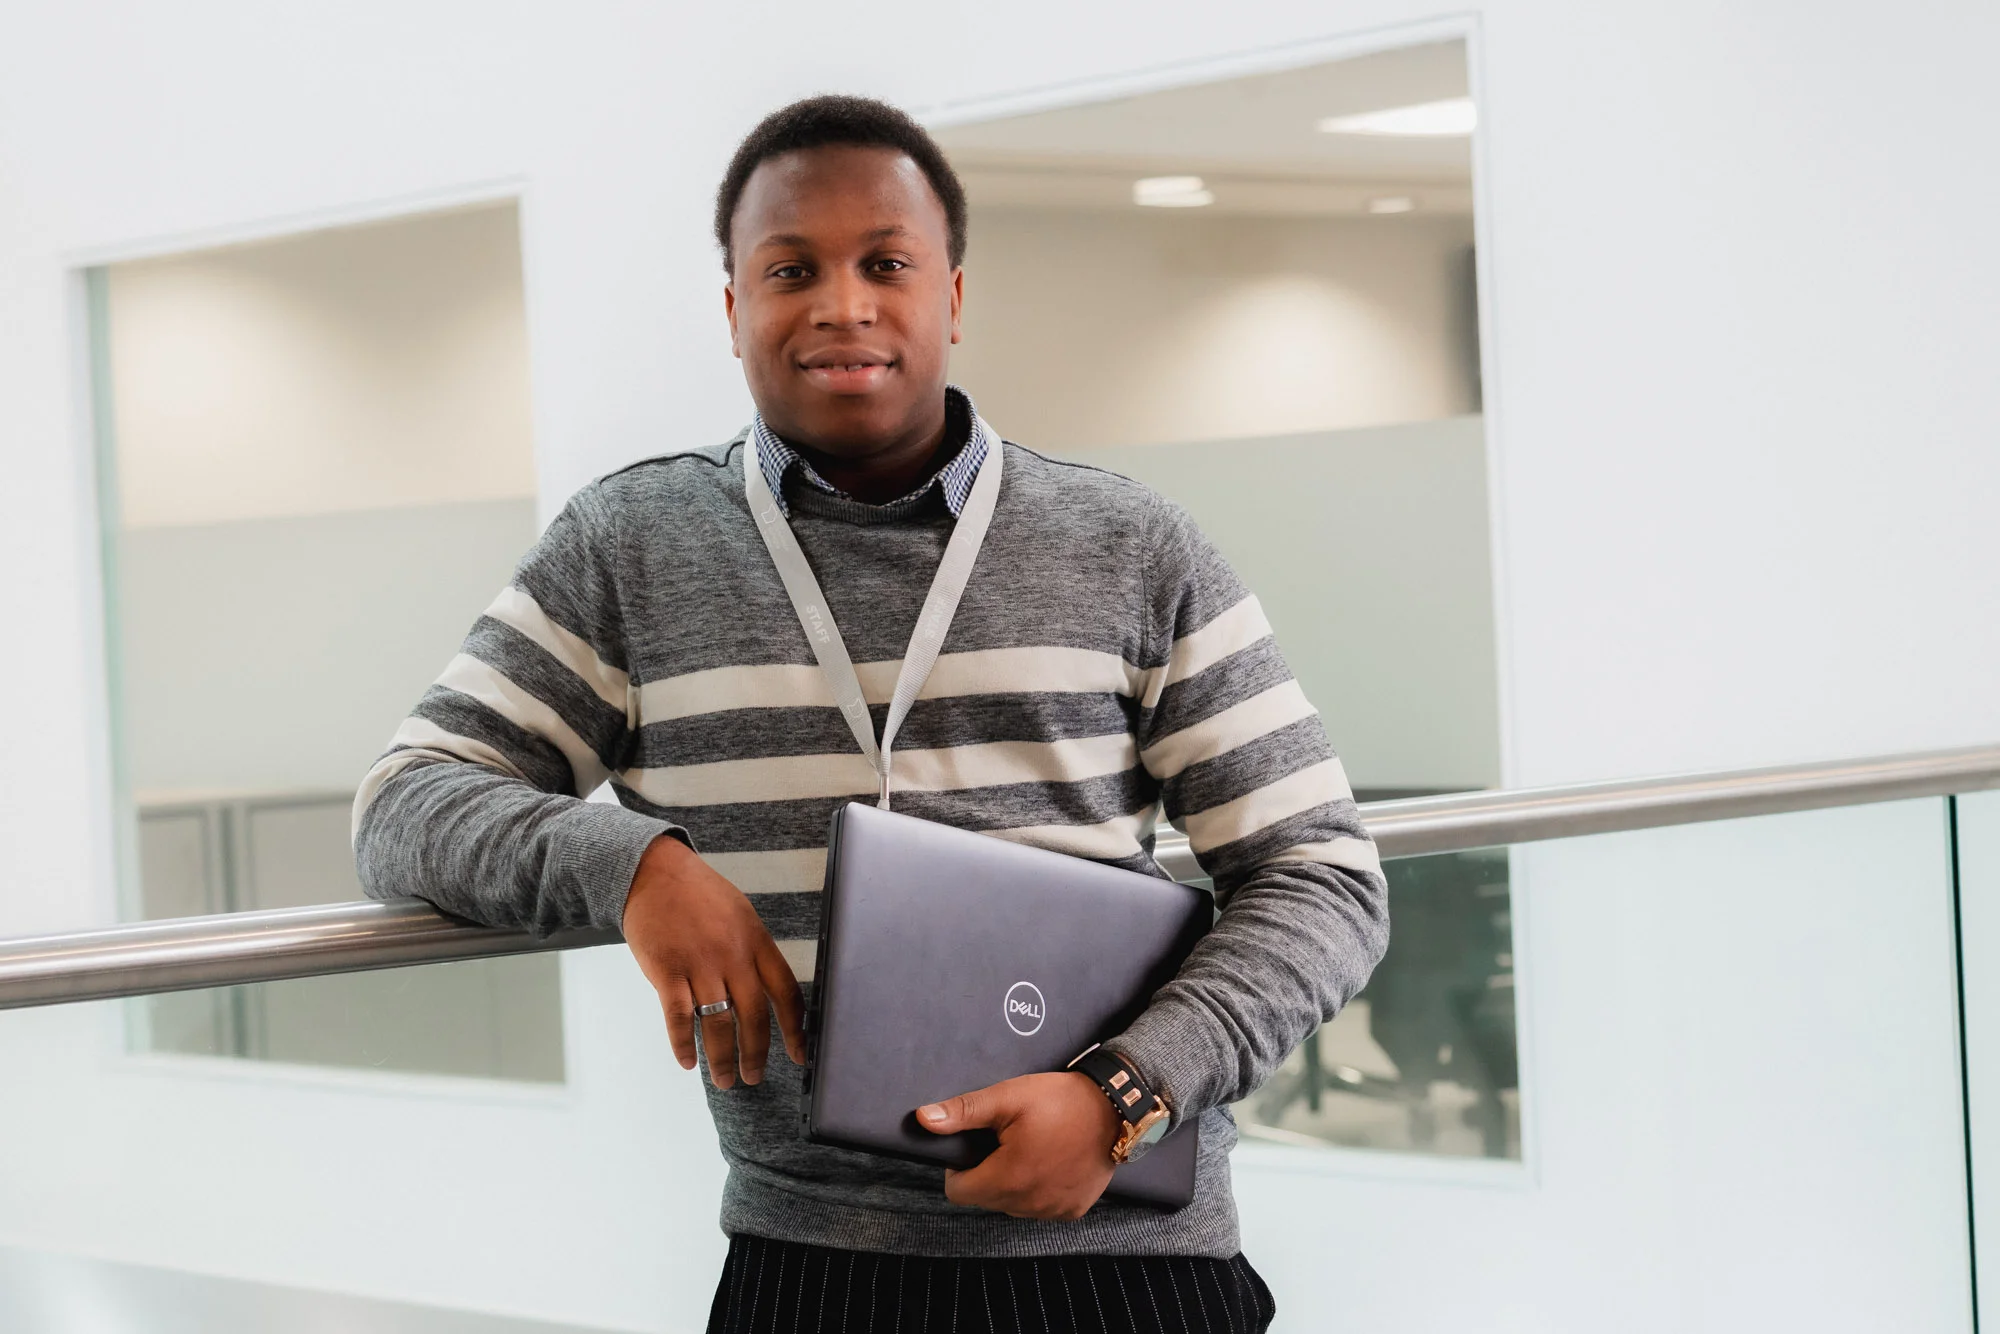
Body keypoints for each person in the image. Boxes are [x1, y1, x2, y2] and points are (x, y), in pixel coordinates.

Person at [354, 94, 1388, 1334]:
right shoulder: (629, 550)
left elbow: (1320, 877)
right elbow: (404, 800)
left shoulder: (1130, 546)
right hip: (809, 1261)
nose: (842, 303)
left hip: (1123, 1249)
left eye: (885, 263)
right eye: (791, 268)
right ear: (734, 309)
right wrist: (634, 867)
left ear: (952, 293)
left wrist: (1125, 1091)